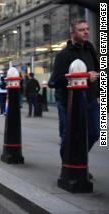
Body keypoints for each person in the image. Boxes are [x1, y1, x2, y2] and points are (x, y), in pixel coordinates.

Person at [48, 19, 100, 160]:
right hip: (69, 102)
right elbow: (55, 81)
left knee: (95, 132)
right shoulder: (64, 55)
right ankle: (68, 165)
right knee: (69, 134)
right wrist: (83, 77)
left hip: (90, 100)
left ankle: (78, 159)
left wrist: (100, 94)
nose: (86, 32)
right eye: (81, 30)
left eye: (87, 29)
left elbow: (97, 72)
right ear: (72, 33)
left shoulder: (90, 50)